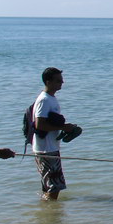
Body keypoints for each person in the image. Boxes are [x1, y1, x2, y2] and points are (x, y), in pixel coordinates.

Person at [32, 67, 80, 201]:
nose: (62, 83)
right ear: (48, 82)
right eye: (58, 81)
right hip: (46, 149)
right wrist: (63, 127)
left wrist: (65, 127)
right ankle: (50, 214)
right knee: (55, 187)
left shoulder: (51, 98)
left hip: (50, 147)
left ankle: (46, 214)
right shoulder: (44, 100)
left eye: (62, 80)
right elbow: (39, 124)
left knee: (49, 186)